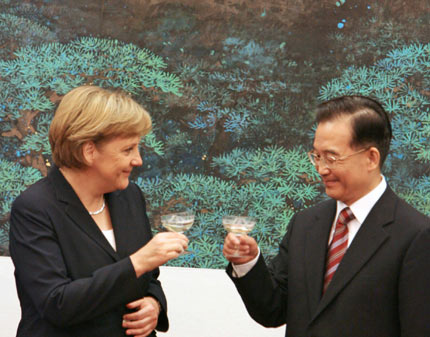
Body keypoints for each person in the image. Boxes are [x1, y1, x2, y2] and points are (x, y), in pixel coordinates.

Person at [223, 95, 430, 337]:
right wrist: (246, 261)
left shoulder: (416, 236)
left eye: (331, 157)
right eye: (317, 156)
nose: (321, 169)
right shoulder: (305, 224)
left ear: (371, 158)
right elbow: (274, 310)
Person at [9, 85, 189, 337]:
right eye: (128, 149)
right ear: (88, 150)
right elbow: (56, 304)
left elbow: (148, 279)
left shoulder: (130, 196)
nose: (138, 160)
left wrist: (153, 304)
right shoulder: (34, 209)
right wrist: (137, 262)